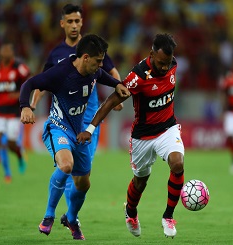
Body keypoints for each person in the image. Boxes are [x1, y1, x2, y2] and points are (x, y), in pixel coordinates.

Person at [20, 34, 130, 240]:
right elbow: (30, 84)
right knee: (66, 165)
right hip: (58, 127)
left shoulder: (93, 72)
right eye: (98, 61)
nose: (100, 65)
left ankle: (71, 218)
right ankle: (48, 215)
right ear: (86, 57)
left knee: (83, 183)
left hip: (79, 133)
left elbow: (104, 76)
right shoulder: (60, 73)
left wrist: (117, 84)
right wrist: (25, 106)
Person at [77, 33, 185, 238]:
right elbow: (111, 100)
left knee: (177, 164)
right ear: (151, 54)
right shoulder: (138, 77)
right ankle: (131, 212)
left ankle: (168, 216)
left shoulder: (173, 64)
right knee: (140, 181)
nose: (164, 67)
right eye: (161, 63)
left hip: (168, 129)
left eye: (168, 63)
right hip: (142, 136)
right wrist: (90, 129)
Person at [0, 42, 30, 188]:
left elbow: (30, 80)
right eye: (4, 51)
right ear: (0, 54)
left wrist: (19, 94)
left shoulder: (19, 67)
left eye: (9, 50)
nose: (6, 53)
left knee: (10, 144)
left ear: (12, 53)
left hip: (13, 112)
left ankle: (20, 156)